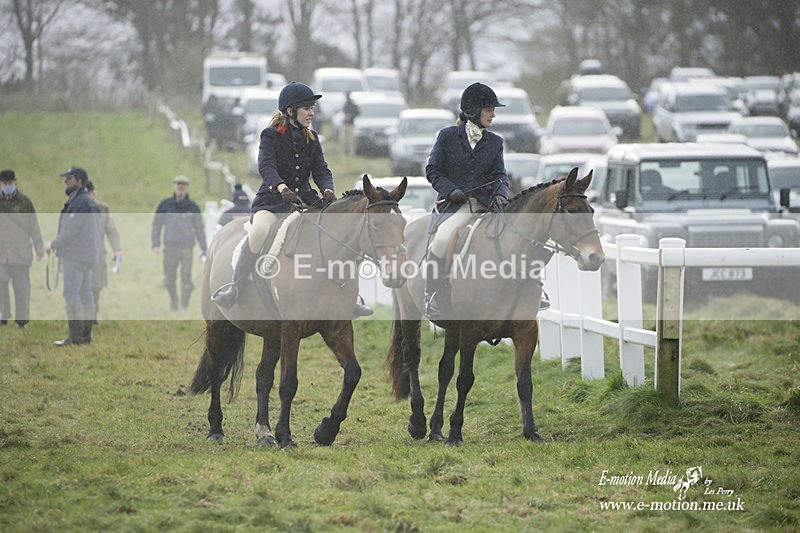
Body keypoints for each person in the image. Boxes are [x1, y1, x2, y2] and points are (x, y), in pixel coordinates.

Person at [212, 81, 373, 318]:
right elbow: (266, 166)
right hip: (272, 202)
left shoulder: (312, 138)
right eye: (307, 108)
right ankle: (236, 287)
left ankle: (347, 297)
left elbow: (321, 170)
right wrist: (281, 187)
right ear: (290, 111)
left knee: (334, 236)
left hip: (306, 202)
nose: (312, 113)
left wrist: (327, 190)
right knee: (258, 233)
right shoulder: (270, 136)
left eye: (312, 108)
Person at [423, 82, 510, 319]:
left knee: (519, 235)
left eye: (493, 110)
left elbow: (501, 175)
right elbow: (433, 170)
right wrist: (451, 191)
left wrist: (502, 193)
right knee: (441, 240)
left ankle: (533, 289)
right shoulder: (448, 136)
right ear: (473, 110)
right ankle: (434, 294)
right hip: (457, 204)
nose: (493, 114)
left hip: (487, 204)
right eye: (488, 109)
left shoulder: (495, 141)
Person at [43, 167, 100, 346]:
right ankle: (85, 336)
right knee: (85, 294)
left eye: (70, 178)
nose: (66, 181)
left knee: (72, 294)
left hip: (76, 256)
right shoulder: (87, 201)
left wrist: (53, 244)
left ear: (80, 181)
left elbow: (70, 231)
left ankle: (75, 336)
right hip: (86, 255)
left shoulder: (80, 203)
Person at [151, 175, 208, 310]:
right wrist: (155, 243)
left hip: (186, 248)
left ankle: (184, 305)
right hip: (170, 247)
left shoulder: (193, 207)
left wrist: (204, 248)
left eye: (183, 184)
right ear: (174, 186)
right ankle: (174, 302)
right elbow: (157, 225)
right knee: (169, 278)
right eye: (178, 184)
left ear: (187, 187)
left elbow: (199, 228)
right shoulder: (165, 205)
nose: (180, 187)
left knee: (186, 276)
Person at [0, 169, 44, 328]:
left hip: (20, 253)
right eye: (4, 183)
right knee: (1, 285)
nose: (7, 186)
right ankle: (3, 314)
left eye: (10, 183)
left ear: (15, 183)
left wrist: (39, 248)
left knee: (22, 288)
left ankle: (22, 320)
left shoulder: (25, 201)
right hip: (2, 254)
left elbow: (34, 225)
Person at [86, 180, 123, 323]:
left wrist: (117, 249)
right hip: (79, 255)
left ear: (94, 193)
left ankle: (93, 315)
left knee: (95, 286)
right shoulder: (74, 207)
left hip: (97, 254)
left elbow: (111, 230)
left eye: (90, 192)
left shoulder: (102, 209)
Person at [341, 92, 359, 156]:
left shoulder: (352, 105)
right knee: (344, 139)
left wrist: (351, 116)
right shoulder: (345, 104)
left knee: (351, 139)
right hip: (345, 123)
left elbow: (357, 112)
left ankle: (352, 152)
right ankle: (345, 152)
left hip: (351, 123)